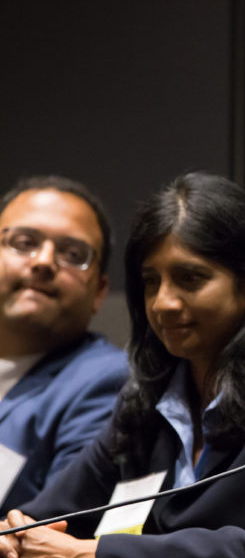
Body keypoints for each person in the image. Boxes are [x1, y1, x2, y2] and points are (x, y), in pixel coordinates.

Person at [0, 172, 245, 558]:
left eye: (190, 279)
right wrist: (12, 539)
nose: (163, 303)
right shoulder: (147, 402)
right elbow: (41, 517)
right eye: (151, 281)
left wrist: (93, 555)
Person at [0, 176, 127, 513]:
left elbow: (52, 533)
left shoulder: (105, 381)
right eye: (24, 242)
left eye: (73, 253)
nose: (43, 261)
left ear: (99, 291)